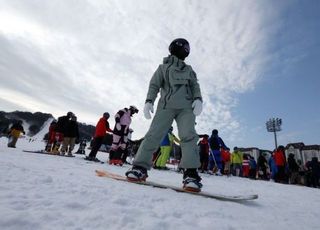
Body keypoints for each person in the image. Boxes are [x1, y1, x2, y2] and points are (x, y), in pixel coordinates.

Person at [125, 38, 204, 192]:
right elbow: (154, 84)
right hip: (166, 106)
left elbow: (195, 85)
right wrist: (149, 101)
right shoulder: (163, 68)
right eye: (184, 47)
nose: (186, 50)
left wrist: (198, 99)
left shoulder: (189, 70)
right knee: (154, 134)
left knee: (188, 135)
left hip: (186, 108)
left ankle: (191, 174)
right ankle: (140, 167)